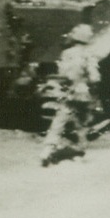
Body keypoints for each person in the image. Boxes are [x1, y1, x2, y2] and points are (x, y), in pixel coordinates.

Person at [40, 24, 96, 166]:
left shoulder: (66, 53)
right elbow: (95, 77)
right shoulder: (89, 54)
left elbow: (63, 73)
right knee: (83, 123)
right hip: (84, 92)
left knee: (60, 120)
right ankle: (79, 151)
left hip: (69, 91)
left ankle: (48, 149)